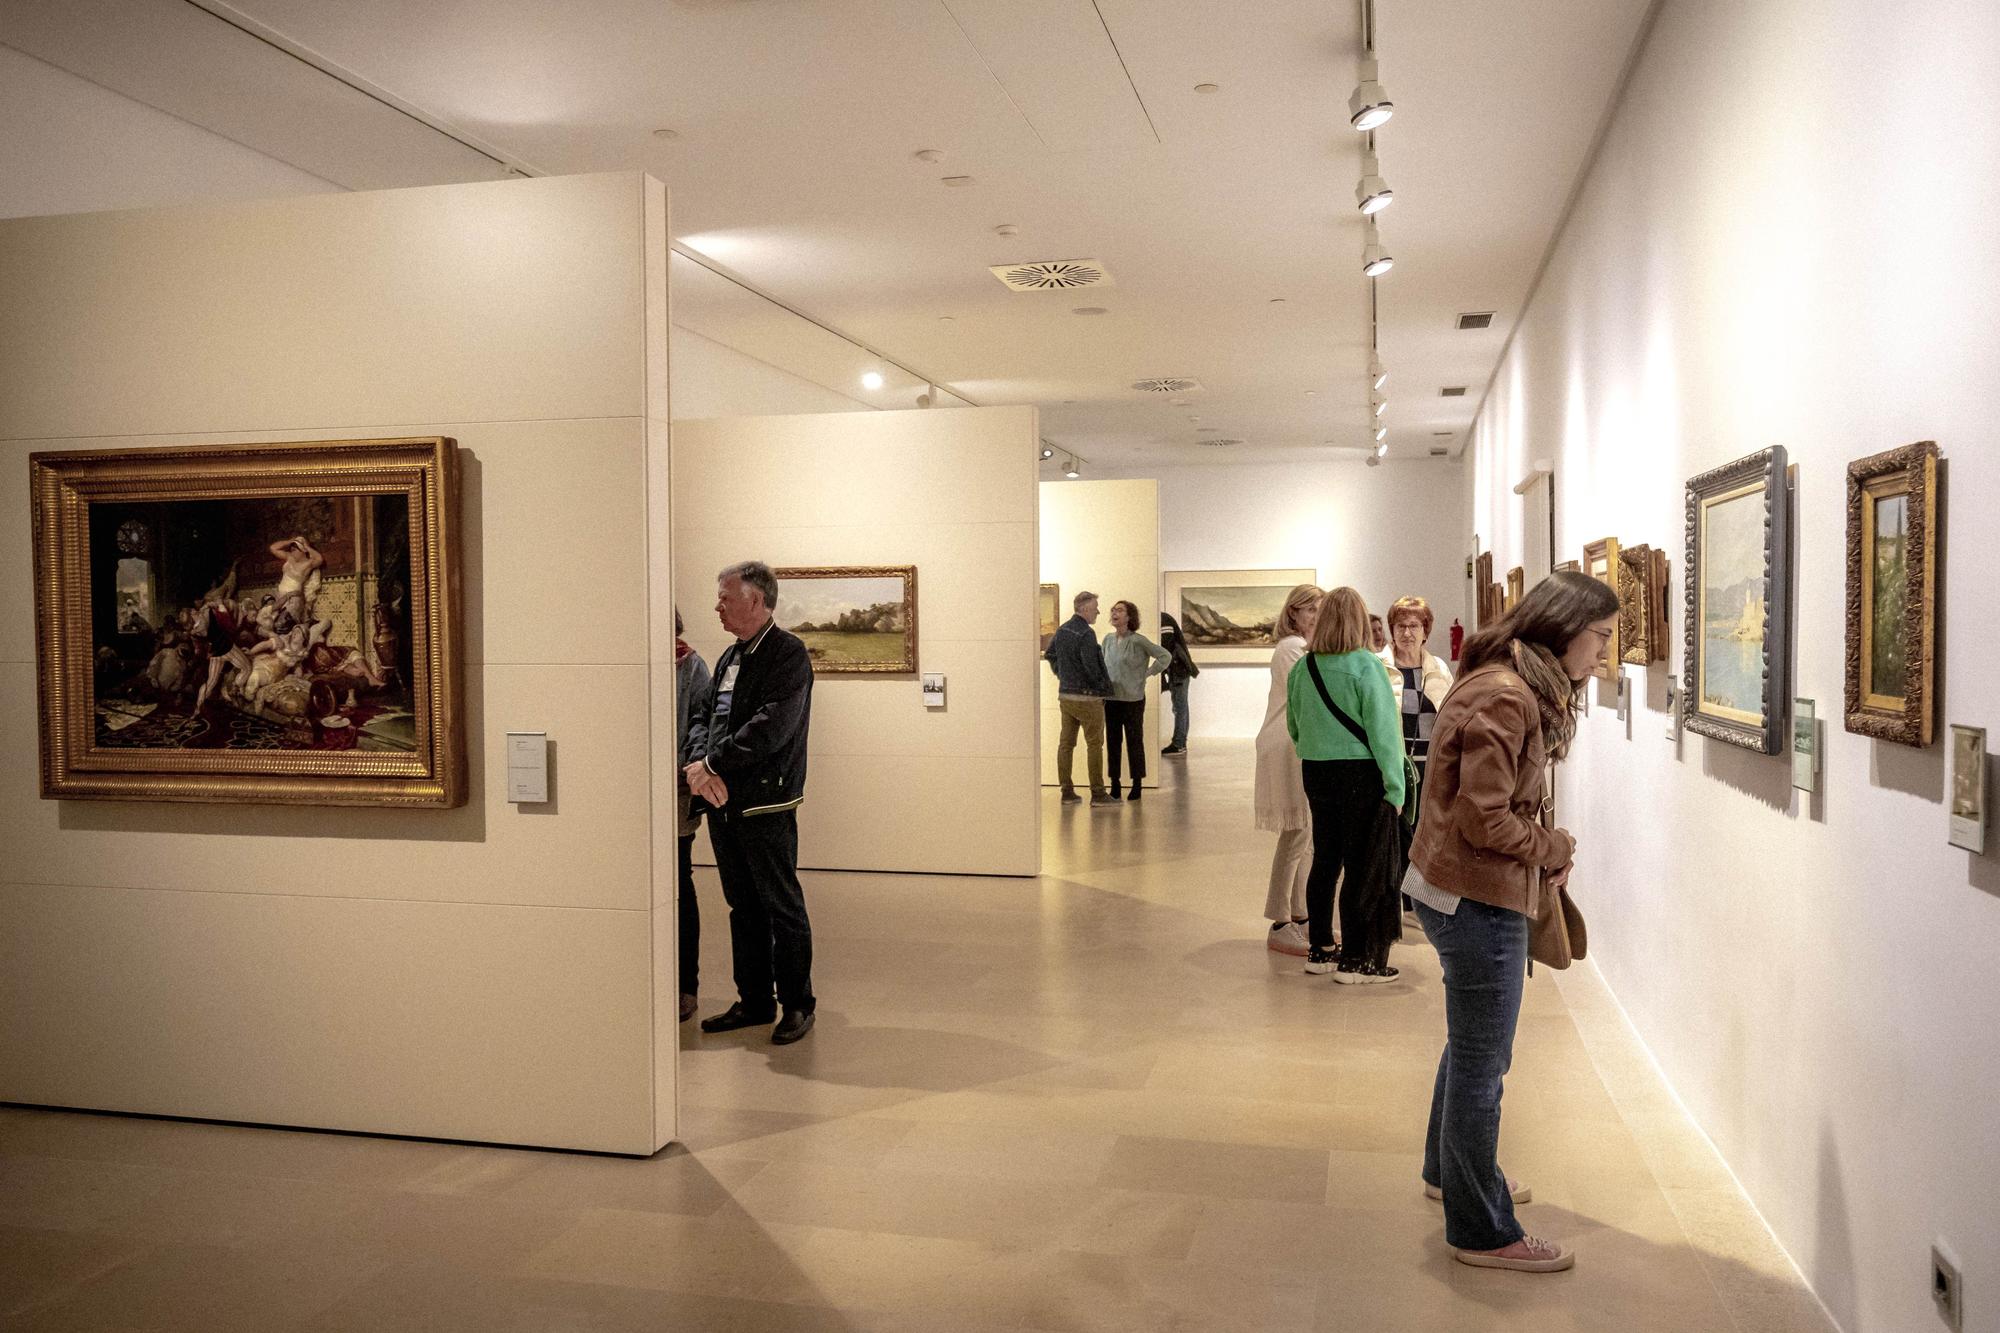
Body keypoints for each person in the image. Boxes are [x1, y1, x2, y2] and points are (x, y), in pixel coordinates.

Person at [1406, 571, 1618, 1274]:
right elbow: (1484, 816)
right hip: (1475, 897)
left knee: (1468, 1047)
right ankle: (1481, 1226)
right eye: (1601, 637)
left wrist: (1539, 854)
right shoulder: (1507, 693)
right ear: (1565, 627)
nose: (1604, 654)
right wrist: (1551, 848)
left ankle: (1448, 1172)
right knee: (1482, 1063)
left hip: (1458, 886)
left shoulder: (1508, 680)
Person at [684, 561, 818, 1046]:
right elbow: (705, 714)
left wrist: (712, 766)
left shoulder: (788, 654)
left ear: (758, 601)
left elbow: (771, 726)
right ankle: (755, 999)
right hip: (723, 800)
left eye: (726, 597)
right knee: (742, 906)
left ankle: (797, 1003)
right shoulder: (730, 655)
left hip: (766, 804)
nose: (717, 605)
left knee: (781, 905)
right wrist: (702, 764)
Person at [1286, 587, 1406, 983]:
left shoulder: (1304, 668)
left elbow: (1295, 727)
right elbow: (1385, 733)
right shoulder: (1366, 666)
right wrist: (1396, 787)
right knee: (1360, 864)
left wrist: (1318, 747)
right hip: (1360, 774)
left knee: (1325, 859)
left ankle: (1319, 949)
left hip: (1316, 771)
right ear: (1358, 621)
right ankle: (1356, 960)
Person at [1253, 583, 1323, 956]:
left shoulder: (1304, 649)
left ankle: (1301, 914)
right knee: (1296, 833)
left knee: (1305, 833)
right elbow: (1308, 694)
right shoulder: (1292, 648)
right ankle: (1281, 920)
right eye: (1309, 610)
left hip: (1298, 743)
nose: (1315, 617)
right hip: (1288, 744)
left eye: (1320, 610)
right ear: (1293, 612)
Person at [1380, 595, 1453, 886]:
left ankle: (1419, 898)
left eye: (1414, 626)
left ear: (1426, 631)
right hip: (1395, 764)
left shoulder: (1439, 668)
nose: (1407, 633)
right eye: (1400, 626)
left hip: (1431, 764)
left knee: (1427, 834)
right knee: (1396, 835)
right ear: (1391, 630)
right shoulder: (1378, 667)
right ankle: (1397, 899)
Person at [673, 608, 713, 1024]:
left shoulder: (691, 666)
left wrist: (687, 771)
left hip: (674, 798)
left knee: (680, 887)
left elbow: (702, 729)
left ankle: (686, 987)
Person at [1044, 591, 1117, 807]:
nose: (1098, 611)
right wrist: (1100, 688)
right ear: (1084, 609)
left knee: (1066, 744)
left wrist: (1063, 674)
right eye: (1095, 607)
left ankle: (1067, 792)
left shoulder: (1063, 629)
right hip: (1087, 699)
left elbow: (1050, 654)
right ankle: (1098, 794)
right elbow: (1091, 666)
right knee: (1095, 744)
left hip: (1066, 696)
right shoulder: (1086, 633)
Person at [1100, 600, 1171, 801]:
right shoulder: (1107, 640)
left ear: (1129, 616)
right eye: (1113, 609)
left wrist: (1147, 673)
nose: (1115, 613)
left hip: (1133, 700)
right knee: (1113, 742)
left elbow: (1164, 656)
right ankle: (1114, 783)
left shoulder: (1139, 641)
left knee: (1134, 742)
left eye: (1120, 610)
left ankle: (1137, 784)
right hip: (1111, 699)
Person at [1158, 611, 1199, 756]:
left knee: (1180, 707)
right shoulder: (1163, 618)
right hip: (1178, 669)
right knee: (1181, 707)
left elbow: (1166, 646)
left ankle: (1179, 743)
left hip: (1178, 669)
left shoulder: (1162, 619)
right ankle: (1180, 743)